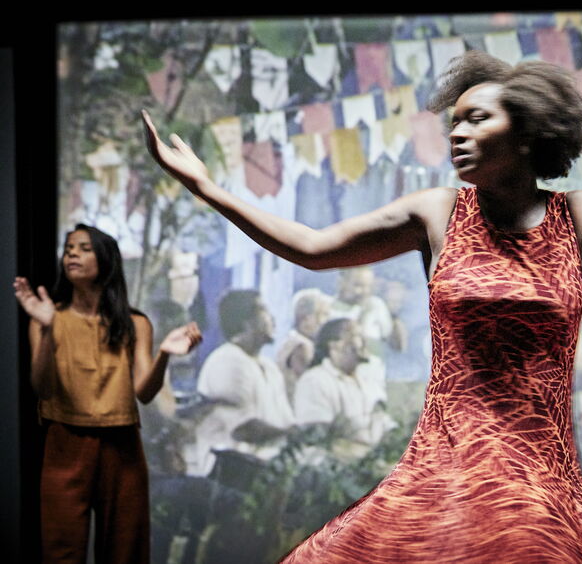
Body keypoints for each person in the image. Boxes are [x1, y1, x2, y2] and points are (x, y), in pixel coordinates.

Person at [142, 51, 582, 562]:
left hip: (540, 481)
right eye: (450, 121)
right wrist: (209, 187)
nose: (454, 133)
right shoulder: (434, 212)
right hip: (444, 469)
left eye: (474, 119)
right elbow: (309, 246)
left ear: (524, 133)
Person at [13, 223, 202, 564]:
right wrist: (45, 327)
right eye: (69, 248)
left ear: (105, 259)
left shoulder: (134, 323)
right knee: (60, 548)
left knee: (125, 548)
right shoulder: (48, 316)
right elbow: (41, 387)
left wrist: (164, 355)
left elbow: (144, 393)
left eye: (84, 248)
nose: (72, 254)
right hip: (64, 442)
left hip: (121, 444)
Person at [190, 289, 296, 477]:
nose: (272, 318)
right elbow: (243, 430)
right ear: (246, 322)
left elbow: (285, 421)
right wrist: (294, 433)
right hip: (230, 473)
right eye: (263, 310)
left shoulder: (269, 367)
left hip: (267, 468)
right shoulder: (227, 361)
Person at [294, 317, 397, 462]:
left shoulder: (369, 382)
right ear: (335, 346)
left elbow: (386, 427)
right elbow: (318, 439)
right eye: (357, 336)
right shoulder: (315, 381)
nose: (365, 342)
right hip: (332, 471)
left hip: (371, 467)